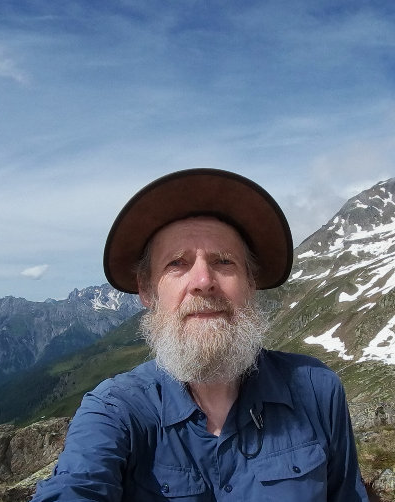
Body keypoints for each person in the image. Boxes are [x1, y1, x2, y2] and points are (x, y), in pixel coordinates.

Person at [34, 168, 367, 501]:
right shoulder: (115, 410)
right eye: (177, 263)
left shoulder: (317, 390)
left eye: (223, 261)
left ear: (250, 284)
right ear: (147, 291)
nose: (204, 281)